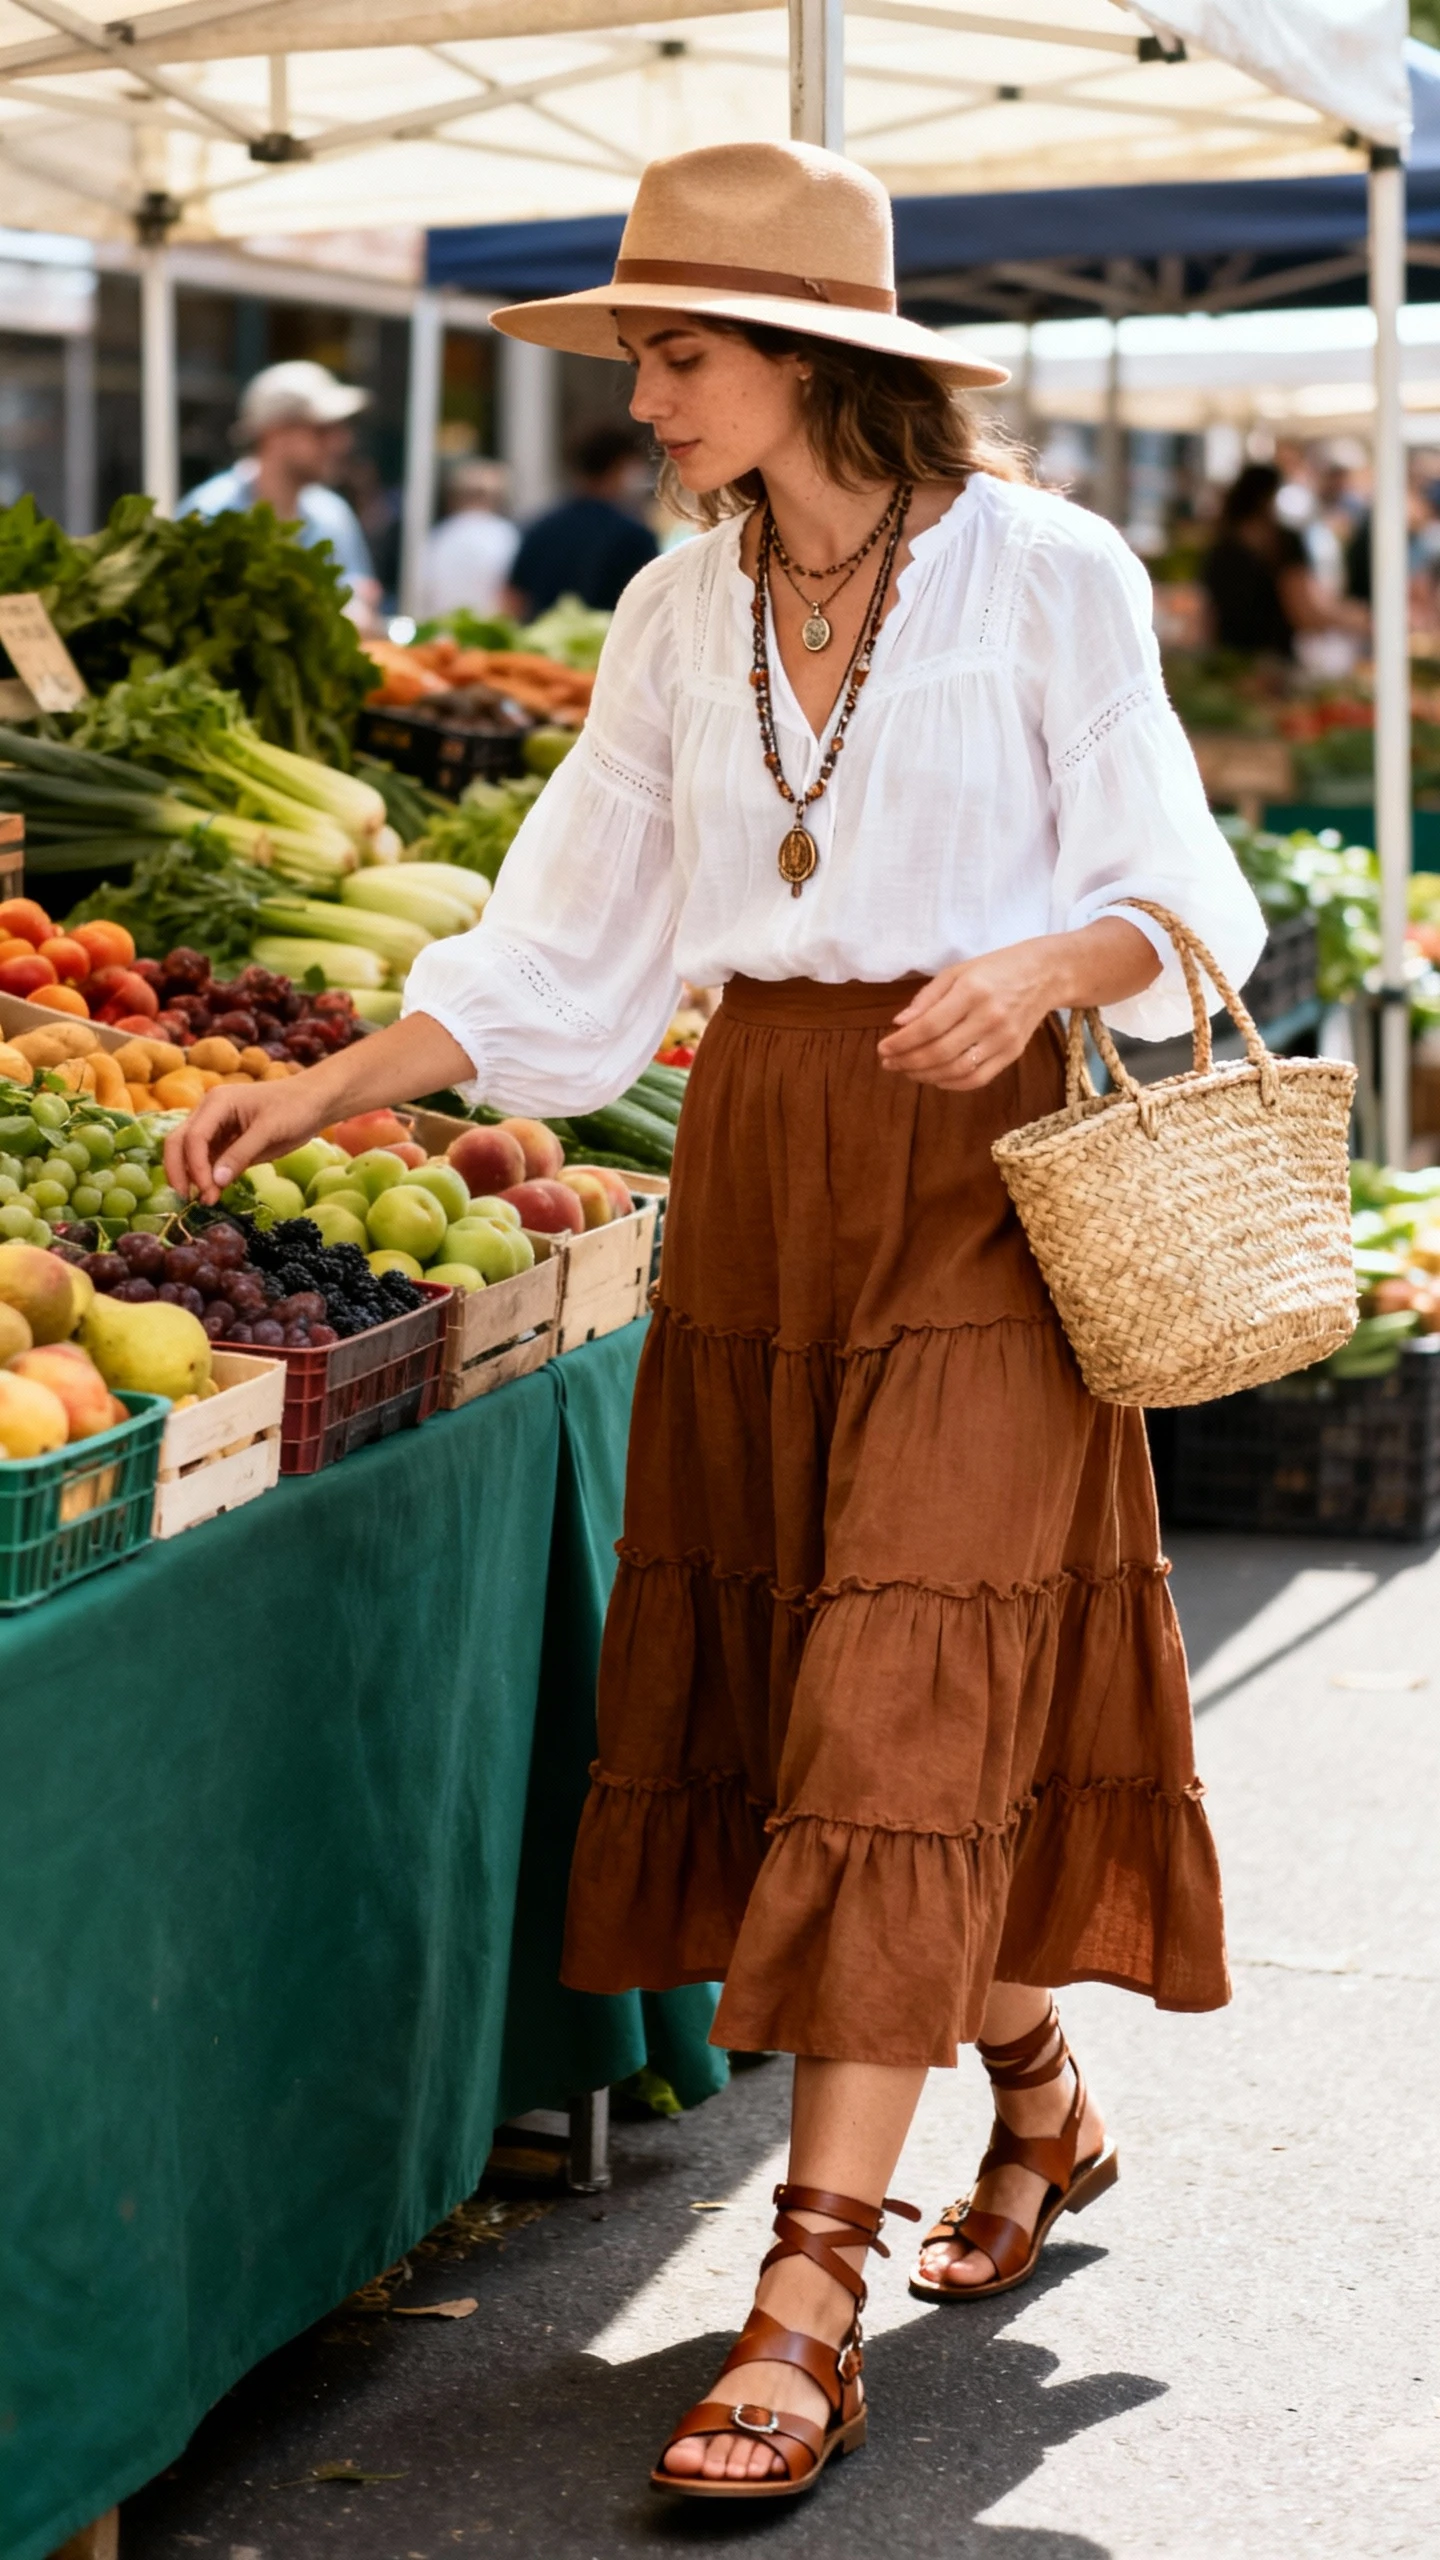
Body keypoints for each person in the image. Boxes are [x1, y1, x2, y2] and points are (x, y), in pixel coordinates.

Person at [169, 142, 1265, 2508]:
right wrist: (325, 1080)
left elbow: (1185, 888)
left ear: (809, 358)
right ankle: (1037, 2094)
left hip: (984, 1169)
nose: (635, 398)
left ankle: (803, 2293)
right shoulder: (675, 613)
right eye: (640, 357)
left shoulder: (1045, 568)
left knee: (900, 1686)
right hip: (763, 1151)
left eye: (671, 353)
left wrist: (1039, 962)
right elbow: (561, 945)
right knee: (823, 1695)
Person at [179, 360, 379, 621]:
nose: (341, 441)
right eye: (322, 430)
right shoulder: (208, 514)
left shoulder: (333, 515)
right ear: (273, 433)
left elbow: (360, 593)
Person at [1202, 460, 1367, 656]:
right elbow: (1307, 611)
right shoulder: (1283, 543)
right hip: (1270, 665)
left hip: (1231, 661)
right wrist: (1361, 620)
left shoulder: (1221, 547)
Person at [505, 422, 658, 617]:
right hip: (607, 643)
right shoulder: (634, 535)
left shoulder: (540, 526)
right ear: (620, 466)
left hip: (539, 644)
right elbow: (650, 607)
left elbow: (513, 599)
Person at [416, 461, 521, 622]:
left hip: (438, 637)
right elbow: (513, 597)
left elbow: (420, 591)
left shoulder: (437, 537)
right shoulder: (506, 536)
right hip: (491, 638)